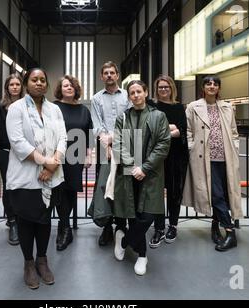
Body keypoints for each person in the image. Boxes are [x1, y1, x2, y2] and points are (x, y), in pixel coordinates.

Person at [6, 68, 67, 290]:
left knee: (44, 221)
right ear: (26, 83)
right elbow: (18, 141)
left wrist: (53, 166)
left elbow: (63, 138)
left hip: (50, 175)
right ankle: (28, 264)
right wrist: (45, 162)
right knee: (25, 221)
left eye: (43, 80)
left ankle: (42, 260)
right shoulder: (16, 108)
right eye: (34, 79)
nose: (39, 83)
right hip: (25, 176)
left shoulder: (54, 110)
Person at [110, 80, 171, 275]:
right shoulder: (123, 118)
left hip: (151, 173)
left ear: (145, 93)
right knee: (133, 215)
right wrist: (131, 166)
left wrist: (144, 168)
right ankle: (142, 256)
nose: (135, 95)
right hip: (128, 174)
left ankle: (124, 240)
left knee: (148, 216)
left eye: (139, 91)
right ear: (129, 97)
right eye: (132, 93)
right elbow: (118, 143)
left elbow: (163, 144)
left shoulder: (158, 116)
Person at [182, 75, 244, 252]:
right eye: (208, 83)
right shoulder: (193, 107)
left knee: (223, 193)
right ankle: (230, 232)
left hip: (226, 157)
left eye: (215, 84)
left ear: (219, 88)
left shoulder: (227, 107)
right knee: (215, 194)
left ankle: (215, 226)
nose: (212, 86)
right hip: (204, 157)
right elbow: (187, 131)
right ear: (203, 87)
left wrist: (235, 147)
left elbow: (234, 132)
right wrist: (192, 147)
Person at [91, 61, 131, 246]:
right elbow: (97, 125)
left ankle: (122, 226)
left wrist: (114, 139)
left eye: (112, 72)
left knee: (125, 186)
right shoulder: (96, 99)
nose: (109, 75)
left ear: (117, 75)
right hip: (104, 149)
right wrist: (106, 145)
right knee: (105, 187)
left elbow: (131, 119)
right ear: (101, 76)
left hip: (128, 146)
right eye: (105, 73)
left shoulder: (127, 96)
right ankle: (107, 227)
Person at [53, 75, 94, 251]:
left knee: (70, 190)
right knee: (59, 190)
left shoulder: (84, 110)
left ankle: (65, 227)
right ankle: (65, 227)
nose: (68, 88)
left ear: (76, 89)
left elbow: (90, 133)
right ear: (60, 89)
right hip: (57, 154)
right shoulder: (53, 107)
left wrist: (89, 155)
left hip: (75, 154)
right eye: (65, 85)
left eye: (71, 85)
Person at [148, 75, 188, 248]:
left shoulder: (179, 107)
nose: (163, 90)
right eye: (160, 87)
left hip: (177, 155)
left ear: (172, 88)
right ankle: (158, 228)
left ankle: (173, 225)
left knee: (174, 192)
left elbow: (183, 131)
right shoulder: (151, 106)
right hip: (157, 156)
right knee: (156, 193)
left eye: (166, 87)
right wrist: (170, 129)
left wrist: (168, 131)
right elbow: (150, 129)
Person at [0, 73, 24, 246]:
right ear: (7, 87)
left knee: (23, 186)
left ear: (22, 87)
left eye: (17, 84)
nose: (14, 87)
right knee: (9, 187)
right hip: (7, 152)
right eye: (11, 84)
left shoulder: (27, 104)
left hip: (24, 153)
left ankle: (22, 219)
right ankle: (12, 221)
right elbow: (0, 128)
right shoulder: (1, 106)